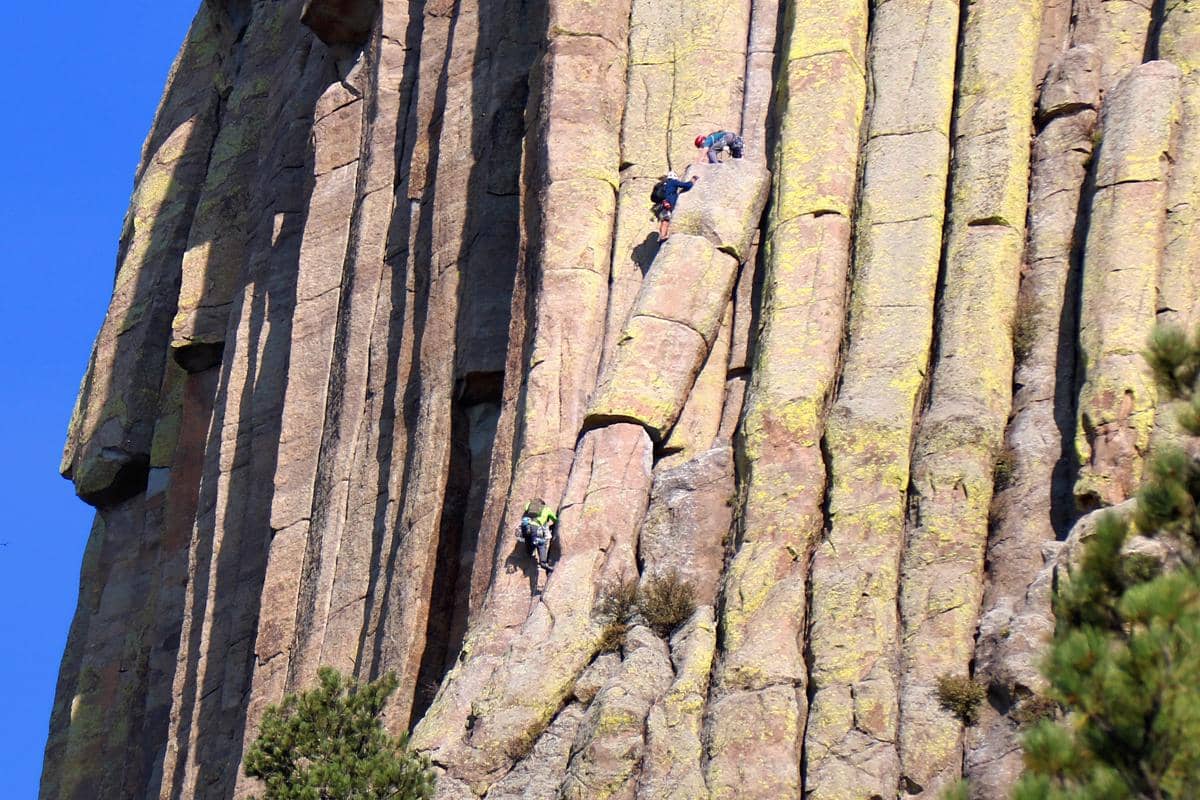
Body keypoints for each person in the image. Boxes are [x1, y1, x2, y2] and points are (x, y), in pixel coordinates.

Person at [650, 171, 700, 241]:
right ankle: (662, 236)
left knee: (664, 220)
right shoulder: (673, 182)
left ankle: (662, 236)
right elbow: (686, 185)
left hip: (660, 205)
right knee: (665, 221)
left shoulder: (662, 184)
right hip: (668, 204)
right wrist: (692, 180)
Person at [518, 498, 558, 576]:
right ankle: (543, 563)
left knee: (529, 540)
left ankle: (529, 552)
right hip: (536, 528)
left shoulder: (529, 505)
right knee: (541, 544)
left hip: (526, 527)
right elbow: (555, 520)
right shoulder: (546, 509)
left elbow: (526, 507)